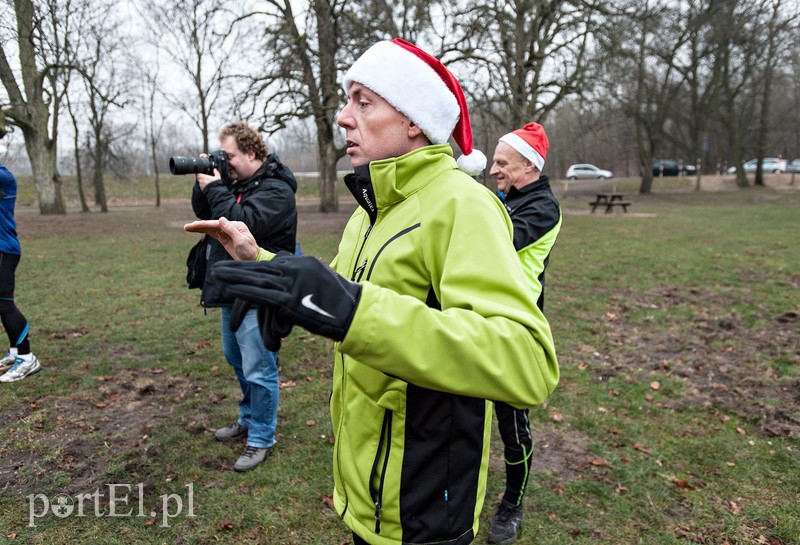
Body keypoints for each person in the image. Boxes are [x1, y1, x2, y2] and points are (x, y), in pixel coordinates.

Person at [186, 39, 559, 545]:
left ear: (413, 120)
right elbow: (340, 293)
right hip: (367, 489)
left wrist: (355, 311)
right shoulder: (368, 212)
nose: (343, 117)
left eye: (364, 101)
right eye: (347, 100)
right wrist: (263, 262)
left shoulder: (461, 205)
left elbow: (527, 362)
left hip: (425, 502)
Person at [191, 121, 298, 472]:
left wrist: (218, 187)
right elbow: (205, 211)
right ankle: (250, 417)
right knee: (235, 357)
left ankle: (262, 437)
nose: (227, 162)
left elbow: (241, 225)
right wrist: (204, 181)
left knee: (259, 366)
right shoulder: (235, 184)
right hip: (232, 287)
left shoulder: (277, 189)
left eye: (230, 155)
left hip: (262, 288)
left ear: (252, 153)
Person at [485, 123, 562, 545]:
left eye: (502, 163)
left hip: (514, 329)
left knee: (512, 425)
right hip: (481, 320)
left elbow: (497, 242)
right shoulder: (507, 198)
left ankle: (512, 504)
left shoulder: (543, 207)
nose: (494, 169)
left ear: (528, 165)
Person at [0, 162, 41, 383]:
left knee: (5, 304)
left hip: (5, 250)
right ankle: (16, 352)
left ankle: (26, 357)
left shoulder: (3, 176)